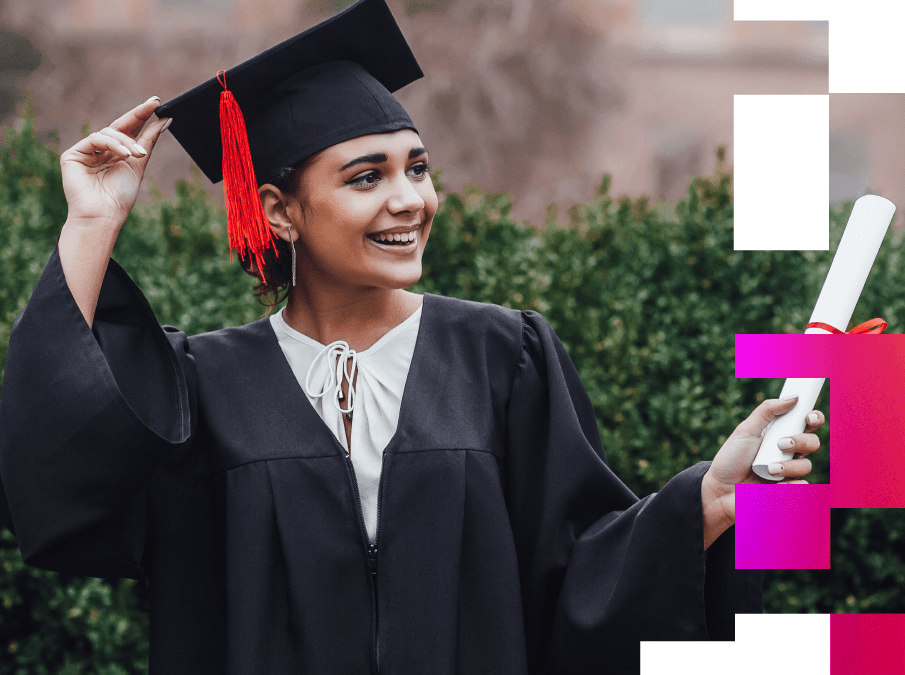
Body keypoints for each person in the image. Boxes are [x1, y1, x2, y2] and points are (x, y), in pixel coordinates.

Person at [0, 1, 823, 672]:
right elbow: (66, 490)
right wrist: (92, 219)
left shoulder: (504, 357)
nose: (410, 199)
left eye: (417, 167)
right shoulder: (204, 385)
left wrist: (704, 503)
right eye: (367, 176)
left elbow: (575, 578)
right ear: (281, 210)